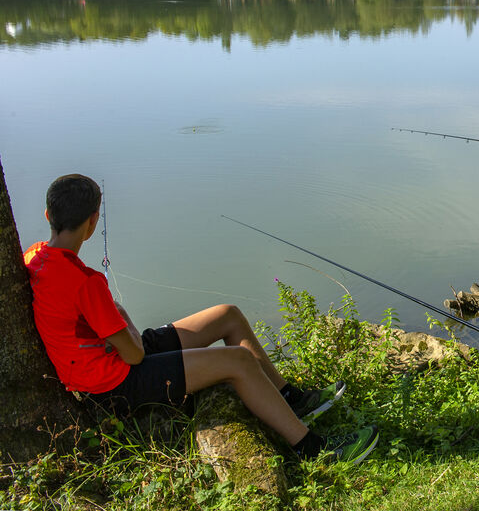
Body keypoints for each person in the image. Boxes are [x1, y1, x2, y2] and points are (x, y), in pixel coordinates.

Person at [25, 174, 378, 464]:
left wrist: (117, 327)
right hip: (114, 384)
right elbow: (134, 355)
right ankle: (313, 450)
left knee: (227, 316)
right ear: (92, 222)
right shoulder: (86, 282)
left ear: (47, 216)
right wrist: (124, 318)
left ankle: (289, 398)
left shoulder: (34, 257)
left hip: (108, 357)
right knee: (238, 361)